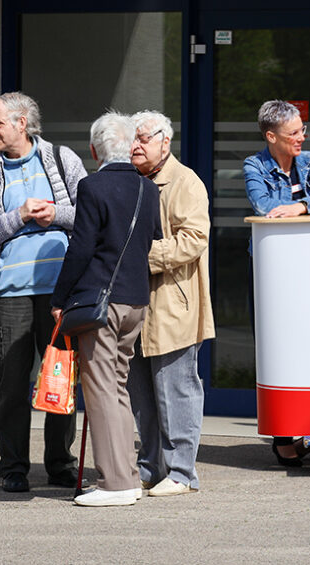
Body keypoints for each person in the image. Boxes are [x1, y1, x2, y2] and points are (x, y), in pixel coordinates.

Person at [0, 92, 86, 492]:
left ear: (22, 122)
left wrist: (56, 214)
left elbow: (90, 214)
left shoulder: (63, 161)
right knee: (13, 386)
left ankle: (60, 464)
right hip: (11, 294)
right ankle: (13, 467)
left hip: (59, 294)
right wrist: (18, 217)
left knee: (59, 381)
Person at [51, 112, 162, 507]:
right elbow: (151, 241)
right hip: (135, 302)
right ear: (130, 145)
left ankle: (115, 483)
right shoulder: (150, 190)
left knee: (100, 392)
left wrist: (59, 299)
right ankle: (127, 477)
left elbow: (80, 249)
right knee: (117, 389)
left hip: (99, 303)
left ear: (95, 150)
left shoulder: (92, 187)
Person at [126, 110, 215, 497]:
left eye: (144, 138)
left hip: (174, 302)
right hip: (135, 304)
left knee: (176, 389)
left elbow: (195, 238)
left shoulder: (185, 182)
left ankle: (182, 472)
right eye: (134, 138)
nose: (135, 146)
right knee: (142, 394)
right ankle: (149, 467)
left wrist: (141, 254)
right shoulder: (132, 181)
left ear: (166, 141)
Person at [243, 99, 310, 466]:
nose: (301, 138)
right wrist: (302, 205)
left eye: (302, 130)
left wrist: (302, 207)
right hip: (272, 268)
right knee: (278, 347)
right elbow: (264, 207)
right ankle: (283, 436)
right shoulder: (253, 165)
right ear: (271, 136)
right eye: (293, 133)